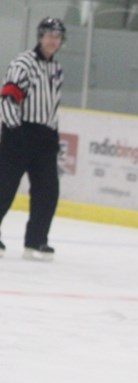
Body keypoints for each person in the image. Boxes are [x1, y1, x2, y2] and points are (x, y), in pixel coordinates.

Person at [0, 17, 66, 261]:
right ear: (40, 37)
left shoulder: (56, 68)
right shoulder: (23, 63)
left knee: (48, 191)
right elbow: (7, 98)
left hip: (45, 138)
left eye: (57, 36)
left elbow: (51, 106)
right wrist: (15, 133)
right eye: (49, 35)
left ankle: (36, 241)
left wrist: (53, 134)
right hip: (19, 132)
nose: (53, 40)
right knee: (4, 188)